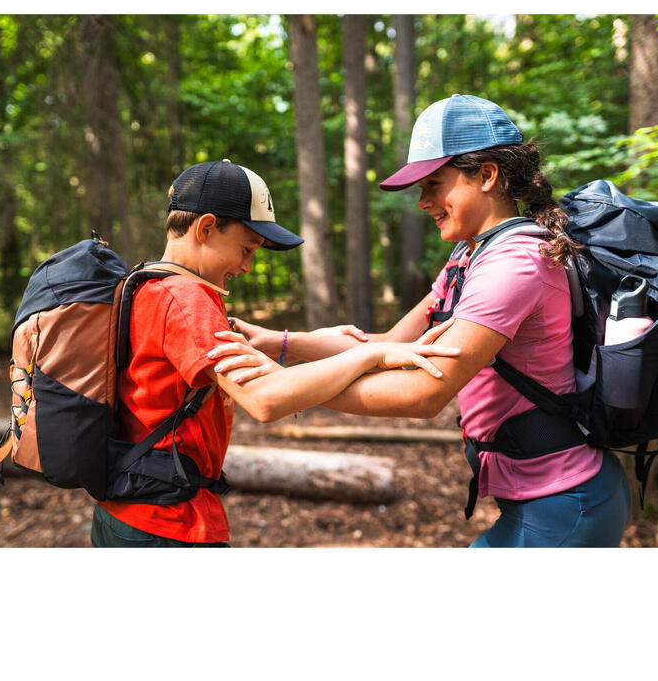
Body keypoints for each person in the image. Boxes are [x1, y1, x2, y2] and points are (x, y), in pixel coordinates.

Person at [218, 94, 632, 547]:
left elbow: (423, 392)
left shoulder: (514, 264)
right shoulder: (470, 255)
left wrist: (288, 385)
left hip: (565, 503)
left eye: (434, 183)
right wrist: (279, 342)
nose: (422, 202)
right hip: (545, 498)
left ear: (487, 176)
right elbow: (392, 345)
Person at [91, 159, 459, 547]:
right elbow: (266, 399)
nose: (248, 267)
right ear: (206, 228)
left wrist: (295, 341)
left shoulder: (147, 282)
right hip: (166, 522)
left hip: (127, 506)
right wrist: (374, 354)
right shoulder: (186, 298)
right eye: (246, 249)